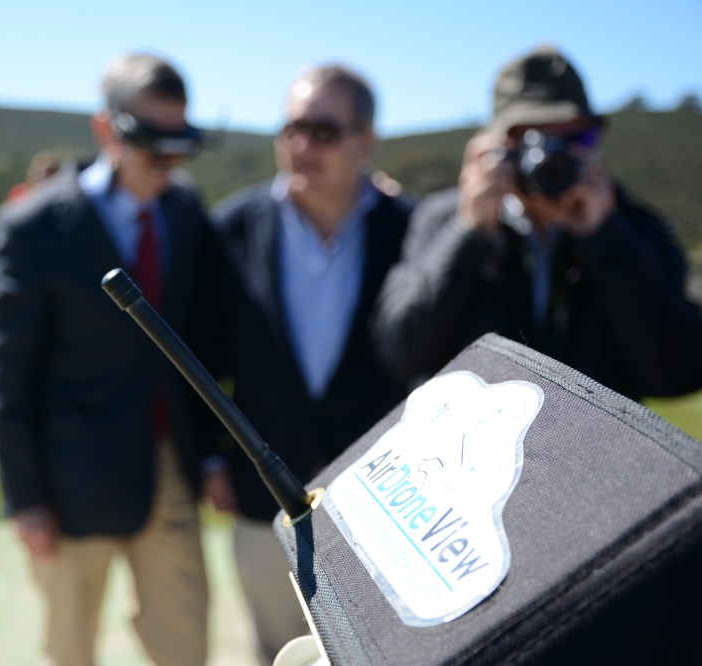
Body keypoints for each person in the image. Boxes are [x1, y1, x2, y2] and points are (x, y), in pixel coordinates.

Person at [0, 54, 211, 666]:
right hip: (69, 485)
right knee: (71, 647)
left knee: (186, 643)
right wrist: (26, 499)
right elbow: (6, 376)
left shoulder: (187, 214)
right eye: (150, 142)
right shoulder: (34, 226)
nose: (168, 161)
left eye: (180, 143)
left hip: (167, 469)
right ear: (106, 129)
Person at [201, 64, 412, 665]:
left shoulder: (411, 228)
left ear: (365, 142)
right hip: (259, 497)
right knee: (277, 653)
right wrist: (210, 455)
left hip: (381, 500)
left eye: (323, 131)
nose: (300, 145)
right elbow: (204, 351)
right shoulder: (233, 227)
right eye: (291, 127)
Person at [373, 46, 702, 400]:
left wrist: (605, 241)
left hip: (590, 451)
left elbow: (677, 371)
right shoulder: (441, 220)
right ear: (497, 147)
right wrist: (468, 234)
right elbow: (401, 352)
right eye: (534, 140)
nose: (553, 159)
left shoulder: (638, 230)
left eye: (577, 139)